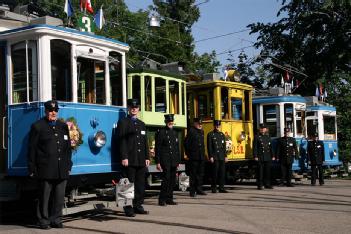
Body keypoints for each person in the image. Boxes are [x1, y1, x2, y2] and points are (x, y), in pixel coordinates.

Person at [28, 100, 72, 229]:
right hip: (45, 168)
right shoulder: (38, 126)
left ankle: (56, 219)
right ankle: (43, 220)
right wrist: (32, 167)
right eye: (51, 110)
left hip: (61, 168)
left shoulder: (63, 126)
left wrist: (68, 165)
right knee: (44, 197)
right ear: (46, 111)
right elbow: (32, 149)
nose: (53, 113)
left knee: (59, 197)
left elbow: (68, 148)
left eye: (55, 110)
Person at [117, 98, 150, 217]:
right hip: (130, 159)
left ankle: (138, 205)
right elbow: (122, 141)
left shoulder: (142, 124)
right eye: (132, 107)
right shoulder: (123, 122)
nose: (134, 109)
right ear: (128, 109)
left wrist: (147, 156)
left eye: (136, 108)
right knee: (129, 184)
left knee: (140, 184)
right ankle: (128, 207)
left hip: (141, 159)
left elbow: (145, 141)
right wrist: (124, 157)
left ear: (138, 109)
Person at [155, 114, 180, 206]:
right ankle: (162, 199)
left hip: (173, 160)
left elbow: (177, 148)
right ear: (166, 122)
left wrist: (178, 161)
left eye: (171, 122)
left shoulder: (174, 132)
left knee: (172, 180)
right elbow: (158, 148)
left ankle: (170, 198)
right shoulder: (161, 132)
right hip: (165, 160)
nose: (170, 123)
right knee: (166, 179)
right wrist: (158, 162)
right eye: (169, 122)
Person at [184, 117, 206, 197]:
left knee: (200, 174)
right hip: (194, 157)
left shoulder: (202, 131)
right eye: (199, 124)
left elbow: (202, 145)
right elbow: (186, 144)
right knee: (193, 174)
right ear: (195, 124)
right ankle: (192, 191)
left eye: (201, 124)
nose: (200, 125)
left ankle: (199, 189)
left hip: (201, 156)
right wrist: (189, 154)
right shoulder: (191, 131)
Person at [207, 120, 228, 193]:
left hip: (221, 156)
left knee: (222, 173)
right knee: (214, 173)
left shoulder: (222, 134)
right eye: (216, 126)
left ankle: (221, 187)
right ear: (214, 126)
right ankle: (214, 188)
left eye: (219, 126)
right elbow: (209, 146)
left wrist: (225, 156)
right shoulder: (210, 134)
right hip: (215, 156)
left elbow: (224, 146)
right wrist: (211, 156)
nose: (217, 127)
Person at [253, 123, 275, 190]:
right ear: (260, 129)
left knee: (267, 171)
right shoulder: (257, 137)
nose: (262, 130)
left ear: (266, 129)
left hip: (267, 156)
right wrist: (255, 156)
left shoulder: (268, 137)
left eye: (264, 129)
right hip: (260, 157)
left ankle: (267, 184)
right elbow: (255, 148)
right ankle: (260, 185)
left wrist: (273, 155)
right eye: (261, 128)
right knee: (260, 172)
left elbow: (271, 147)